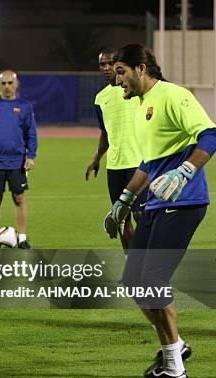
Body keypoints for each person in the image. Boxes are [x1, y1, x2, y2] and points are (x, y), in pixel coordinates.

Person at [106, 44, 216, 378]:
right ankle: (176, 348)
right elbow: (150, 164)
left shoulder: (173, 95)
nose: (118, 81)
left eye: (122, 73)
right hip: (156, 203)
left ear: (141, 69)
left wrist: (185, 171)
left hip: (184, 201)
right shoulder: (142, 106)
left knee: (153, 279)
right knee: (134, 282)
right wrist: (125, 199)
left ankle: (174, 369)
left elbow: (212, 136)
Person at [86, 47, 145, 250]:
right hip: (115, 166)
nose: (106, 68)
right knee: (120, 219)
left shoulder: (135, 90)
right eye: (102, 64)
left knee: (141, 216)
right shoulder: (100, 98)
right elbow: (105, 133)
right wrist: (96, 159)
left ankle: (150, 268)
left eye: (111, 63)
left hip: (138, 164)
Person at [0, 70, 38, 250]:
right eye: (3, 83)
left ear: (16, 84)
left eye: (10, 83)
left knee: (19, 198)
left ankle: (22, 238)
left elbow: (31, 133)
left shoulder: (24, 107)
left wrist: (31, 156)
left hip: (17, 161)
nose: (6, 87)